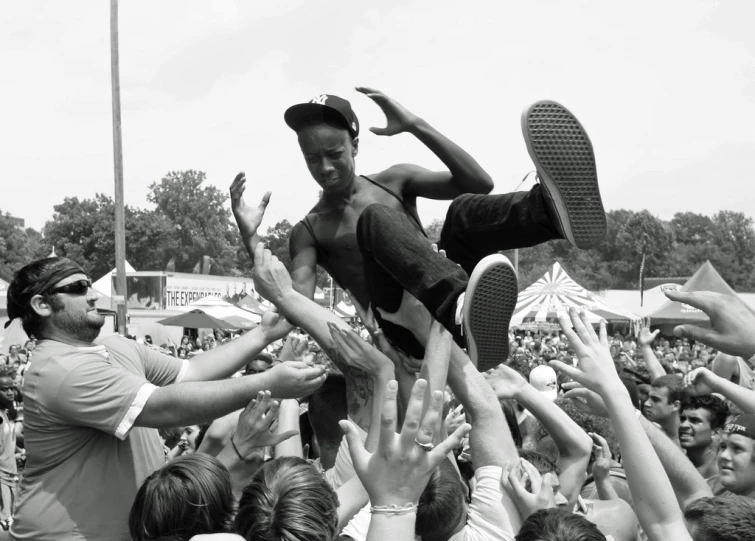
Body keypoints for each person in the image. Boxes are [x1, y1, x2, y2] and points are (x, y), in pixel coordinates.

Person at [231, 89, 606, 373]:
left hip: (446, 297)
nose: (325, 167)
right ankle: (456, 306)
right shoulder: (309, 230)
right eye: (313, 159)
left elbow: (478, 181)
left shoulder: (395, 180)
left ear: (355, 145)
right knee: (375, 220)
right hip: (401, 329)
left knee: (461, 211)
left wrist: (415, 125)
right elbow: (297, 305)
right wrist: (252, 239)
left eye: (334, 153)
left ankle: (552, 212)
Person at [5, 257, 326, 540]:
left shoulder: (117, 346)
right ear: (42, 305)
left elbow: (191, 370)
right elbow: (163, 407)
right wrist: (271, 381)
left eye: (89, 284)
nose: (92, 294)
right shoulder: (59, 368)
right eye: (77, 287)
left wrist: (263, 334)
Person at [679, 395, 729, 482]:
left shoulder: (723, 475)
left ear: (716, 432)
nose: (683, 425)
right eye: (682, 419)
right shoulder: (674, 464)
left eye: (695, 421)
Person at [644, 374, 685, 446]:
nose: (646, 403)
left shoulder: (687, 445)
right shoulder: (648, 435)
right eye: (649, 398)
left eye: (655, 400)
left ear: (675, 405)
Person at [0, 365, 18, 529]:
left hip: (11, 471)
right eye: (4, 389)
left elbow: (8, 441)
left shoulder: (6, 413)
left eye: (12, 387)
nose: (10, 392)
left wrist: (18, 452)